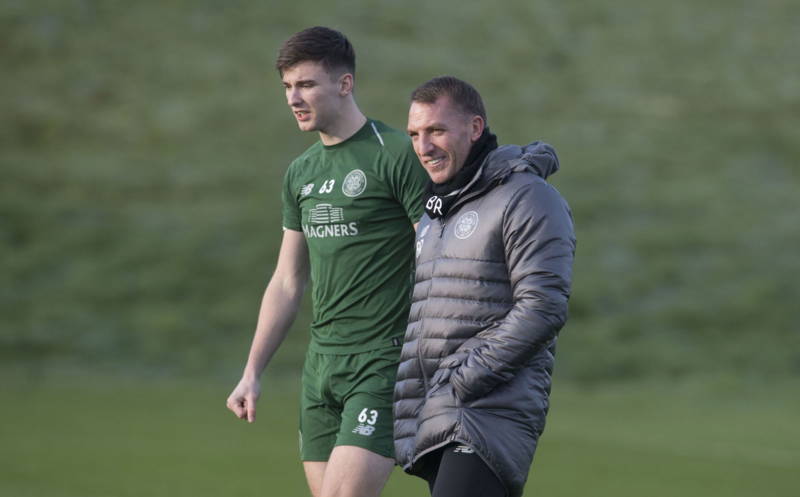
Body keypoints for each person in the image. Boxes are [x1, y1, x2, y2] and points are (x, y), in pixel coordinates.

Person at [226, 27, 427, 497]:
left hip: (382, 360)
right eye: (287, 87)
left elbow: (438, 258)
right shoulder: (301, 173)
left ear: (344, 84)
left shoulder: (397, 154)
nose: (293, 98)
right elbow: (287, 281)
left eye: (306, 84)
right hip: (321, 368)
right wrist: (252, 372)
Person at [393, 76, 576, 497]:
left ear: (475, 128)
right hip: (436, 411)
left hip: (485, 412)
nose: (423, 147)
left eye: (436, 130)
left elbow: (543, 307)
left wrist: (464, 379)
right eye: (415, 135)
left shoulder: (527, 196)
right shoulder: (437, 212)